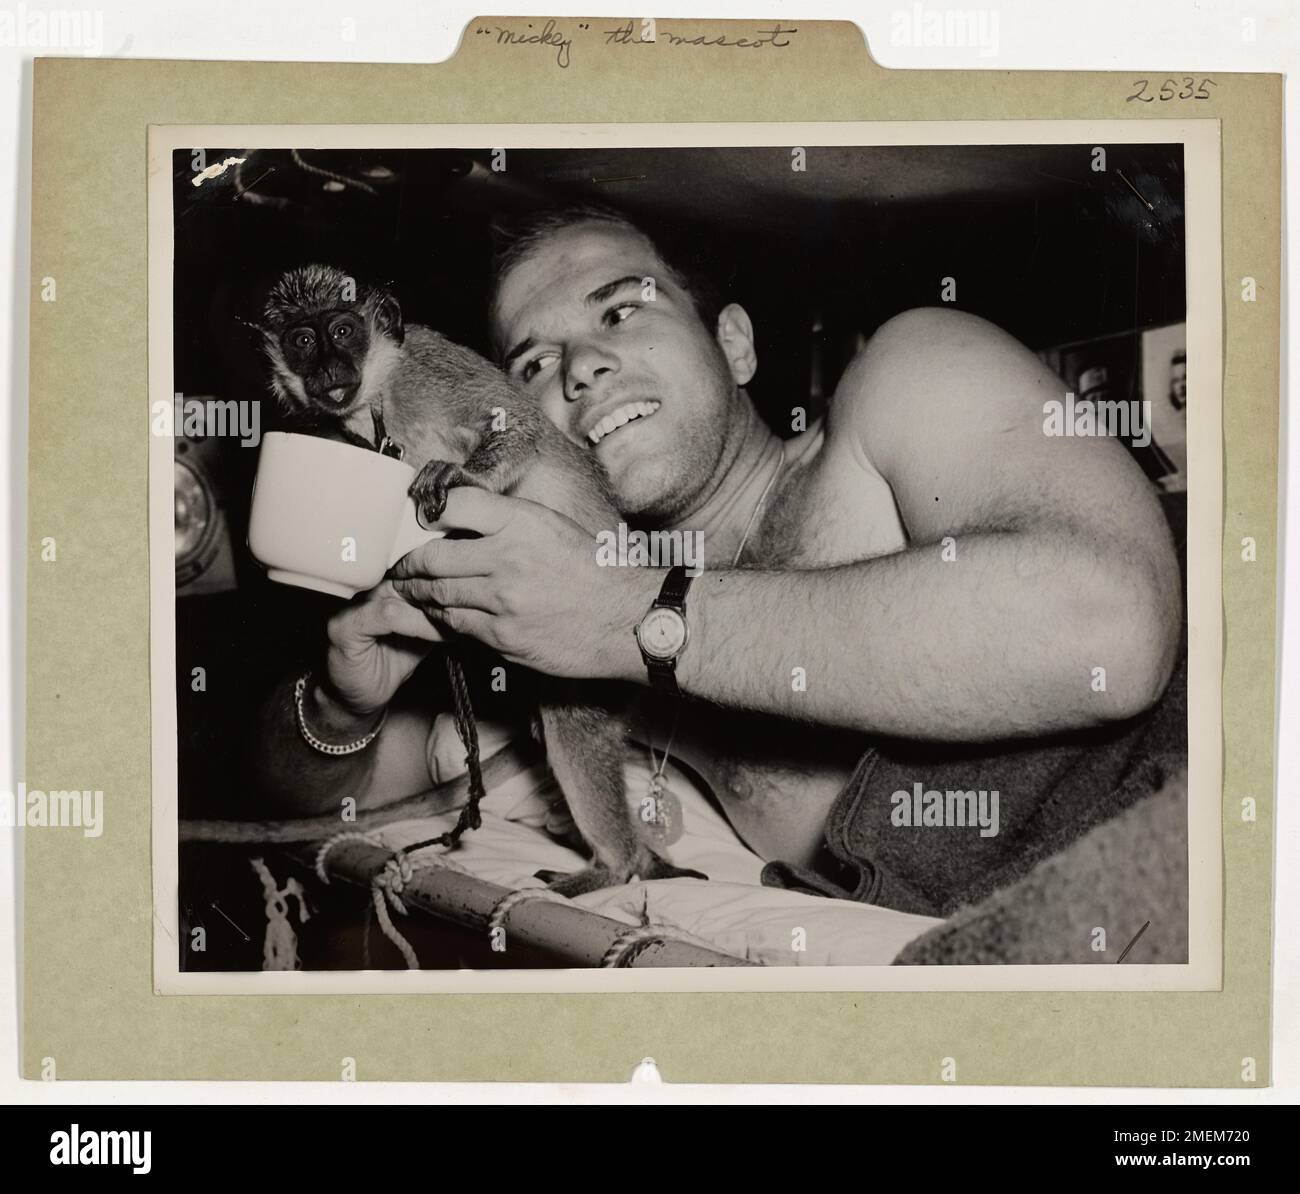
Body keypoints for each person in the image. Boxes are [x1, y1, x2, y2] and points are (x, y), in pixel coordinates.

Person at [254, 203, 1183, 916]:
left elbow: (1114, 628)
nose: (578, 370)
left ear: (733, 342)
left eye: (622, 309)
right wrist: (341, 698)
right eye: (533, 365)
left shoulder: (905, 379)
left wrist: (631, 617)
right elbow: (342, 798)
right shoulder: (556, 602)